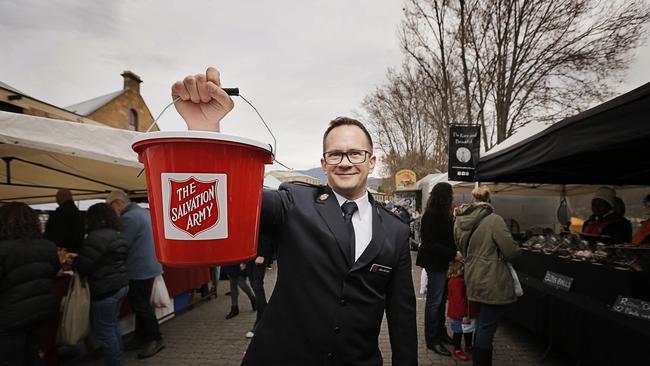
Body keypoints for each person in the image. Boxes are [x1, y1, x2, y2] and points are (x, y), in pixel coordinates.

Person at [172, 67, 417, 365]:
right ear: (324, 164)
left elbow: (402, 319)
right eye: (335, 155)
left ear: (372, 162)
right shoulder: (294, 202)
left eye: (356, 153)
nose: (345, 162)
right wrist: (203, 130)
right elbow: (224, 198)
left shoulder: (395, 231)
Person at [454, 186, 520, 366]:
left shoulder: (459, 220)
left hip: (472, 276)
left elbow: (461, 248)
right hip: (492, 279)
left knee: (483, 323)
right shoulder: (494, 220)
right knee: (486, 327)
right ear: (489, 201)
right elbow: (511, 252)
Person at [106, 190, 165, 359]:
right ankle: (141, 336)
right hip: (149, 266)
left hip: (138, 269)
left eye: (111, 207)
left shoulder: (128, 218)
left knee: (141, 305)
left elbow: (121, 245)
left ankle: (156, 338)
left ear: (117, 203)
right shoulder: (142, 212)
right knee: (141, 304)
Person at [0, 202, 61, 366]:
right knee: (33, 354)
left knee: (10, 359)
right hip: (40, 312)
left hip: (9, 317)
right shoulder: (48, 246)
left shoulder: (4, 249)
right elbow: (54, 271)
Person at [71, 203, 129, 366]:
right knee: (112, 326)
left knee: (105, 332)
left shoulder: (95, 237)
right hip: (120, 285)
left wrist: (75, 262)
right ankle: (118, 358)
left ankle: (115, 362)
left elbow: (84, 265)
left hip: (105, 289)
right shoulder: (117, 234)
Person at [416, 182, 461, 356]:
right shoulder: (432, 215)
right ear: (444, 195)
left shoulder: (444, 214)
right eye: (451, 193)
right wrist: (453, 254)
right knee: (434, 304)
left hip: (441, 263)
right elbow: (429, 243)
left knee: (441, 301)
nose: (454, 196)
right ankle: (432, 340)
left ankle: (441, 334)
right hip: (435, 264)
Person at [246, 233, 275, 338]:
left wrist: (262, 254)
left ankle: (260, 321)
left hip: (259, 252)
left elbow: (267, 230)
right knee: (254, 283)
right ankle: (267, 314)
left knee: (257, 285)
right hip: (249, 253)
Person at [447, 260, 475, 362]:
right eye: (462, 269)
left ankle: (468, 345)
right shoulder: (456, 281)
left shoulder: (460, 280)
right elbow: (459, 300)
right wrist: (464, 314)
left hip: (464, 312)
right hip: (459, 313)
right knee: (458, 331)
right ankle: (457, 349)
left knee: (468, 330)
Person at [43, 188, 85, 253]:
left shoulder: (59, 214)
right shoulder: (79, 214)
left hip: (60, 252)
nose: (56, 200)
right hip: (75, 251)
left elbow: (53, 235)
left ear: (63, 196)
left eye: (57, 197)